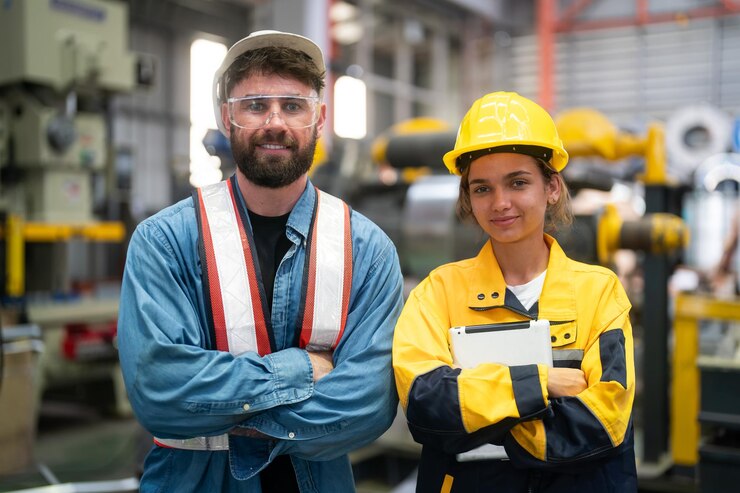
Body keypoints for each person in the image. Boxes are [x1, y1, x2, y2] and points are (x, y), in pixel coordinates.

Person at [118, 30, 404, 493]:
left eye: (293, 106)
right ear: (226, 118)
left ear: (319, 118)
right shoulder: (165, 241)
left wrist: (229, 414)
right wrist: (303, 369)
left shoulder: (366, 249)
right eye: (254, 106)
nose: (275, 122)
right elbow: (160, 391)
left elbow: (368, 406)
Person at [393, 91, 637, 492]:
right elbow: (425, 407)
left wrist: (484, 428)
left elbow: (605, 422)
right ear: (468, 199)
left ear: (552, 187)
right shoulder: (438, 292)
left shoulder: (599, 292)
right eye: (483, 188)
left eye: (518, 182)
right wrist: (541, 384)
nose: (500, 203)